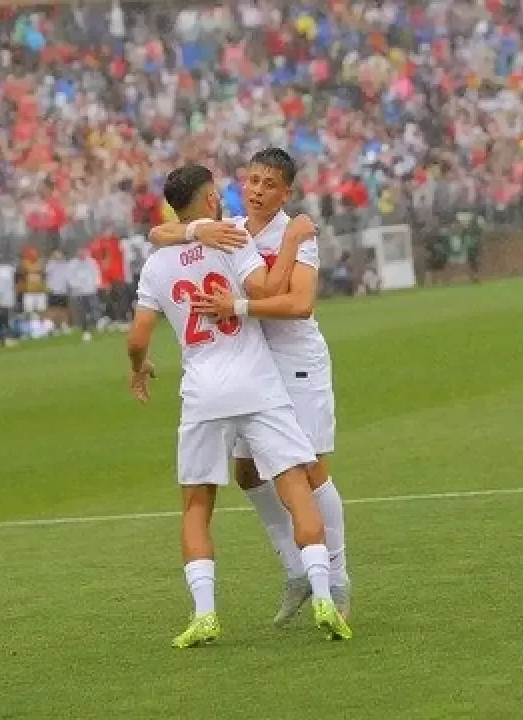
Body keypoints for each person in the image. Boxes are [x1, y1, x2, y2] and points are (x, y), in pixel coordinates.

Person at [127, 163, 352, 647]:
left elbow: (299, 305)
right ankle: (302, 575)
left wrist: (246, 292)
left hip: (288, 363)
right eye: (252, 181)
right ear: (220, 194)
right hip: (255, 372)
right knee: (257, 475)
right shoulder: (232, 233)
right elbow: (161, 232)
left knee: (305, 474)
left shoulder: (295, 231)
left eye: (269, 185)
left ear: (285, 193)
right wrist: (196, 231)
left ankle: (336, 584)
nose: (256, 190)